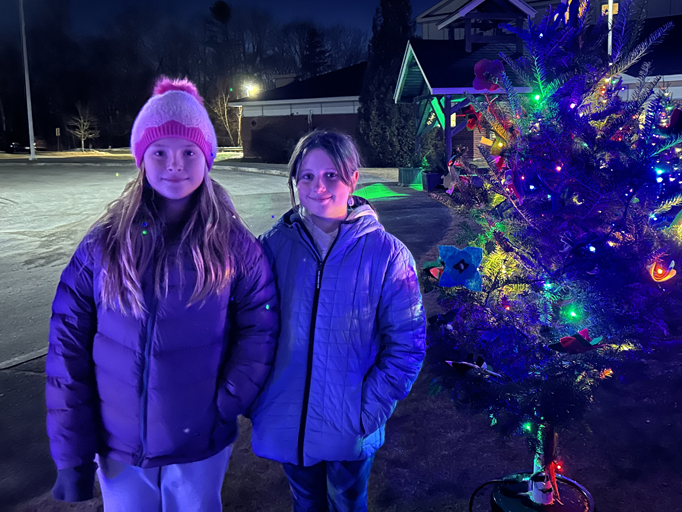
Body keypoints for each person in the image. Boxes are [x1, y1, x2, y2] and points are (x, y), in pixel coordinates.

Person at [46, 77, 279, 511]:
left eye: (189, 151)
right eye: (160, 152)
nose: (175, 164)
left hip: (199, 446)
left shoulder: (234, 246)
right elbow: (67, 350)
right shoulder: (103, 247)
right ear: (142, 160)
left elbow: (260, 326)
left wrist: (226, 402)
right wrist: (71, 453)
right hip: (119, 450)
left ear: (206, 159)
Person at [250, 130, 426, 512]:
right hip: (287, 418)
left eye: (331, 175)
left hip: (349, 424)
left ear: (353, 179)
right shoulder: (271, 247)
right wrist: (259, 397)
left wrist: (366, 411)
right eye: (307, 176)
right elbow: (249, 329)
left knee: (347, 505)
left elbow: (407, 346)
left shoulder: (388, 255)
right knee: (306, 505)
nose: (318, 187)